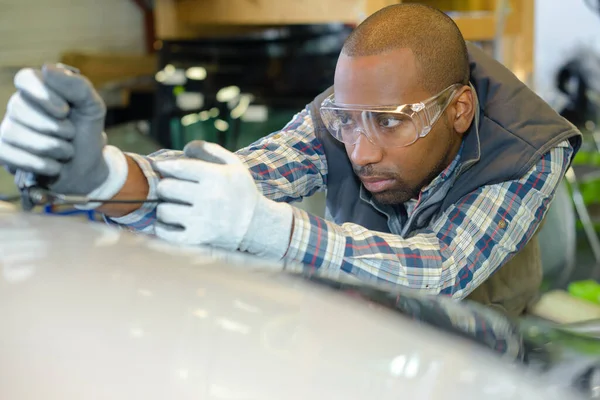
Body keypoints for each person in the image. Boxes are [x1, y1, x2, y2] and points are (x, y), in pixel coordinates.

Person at [0, 4, 581, 316]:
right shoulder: (342, 110)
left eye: (389, 121)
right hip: (361, 322)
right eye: (348, 121)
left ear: (458, 111)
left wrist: (264, 227)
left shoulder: (529, 148)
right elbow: (242, 174)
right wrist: (104, 176)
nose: (361, 150)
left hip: (485, 328)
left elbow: (441, 271)